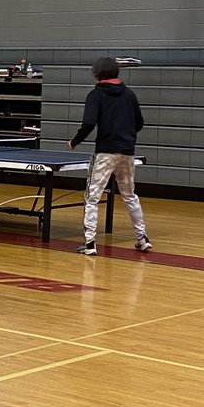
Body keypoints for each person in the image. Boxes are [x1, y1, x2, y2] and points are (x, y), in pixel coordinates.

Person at [68, 56, 152, 257]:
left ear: (96, 73)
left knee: (92, 197)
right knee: (130, 195)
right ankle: (142, 239)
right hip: (127, 152)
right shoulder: (129, 94)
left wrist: (74, 141)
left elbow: (89, 123)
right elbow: (139, 123)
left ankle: (90, 243)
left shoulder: (95, 95)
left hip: (106, 152)